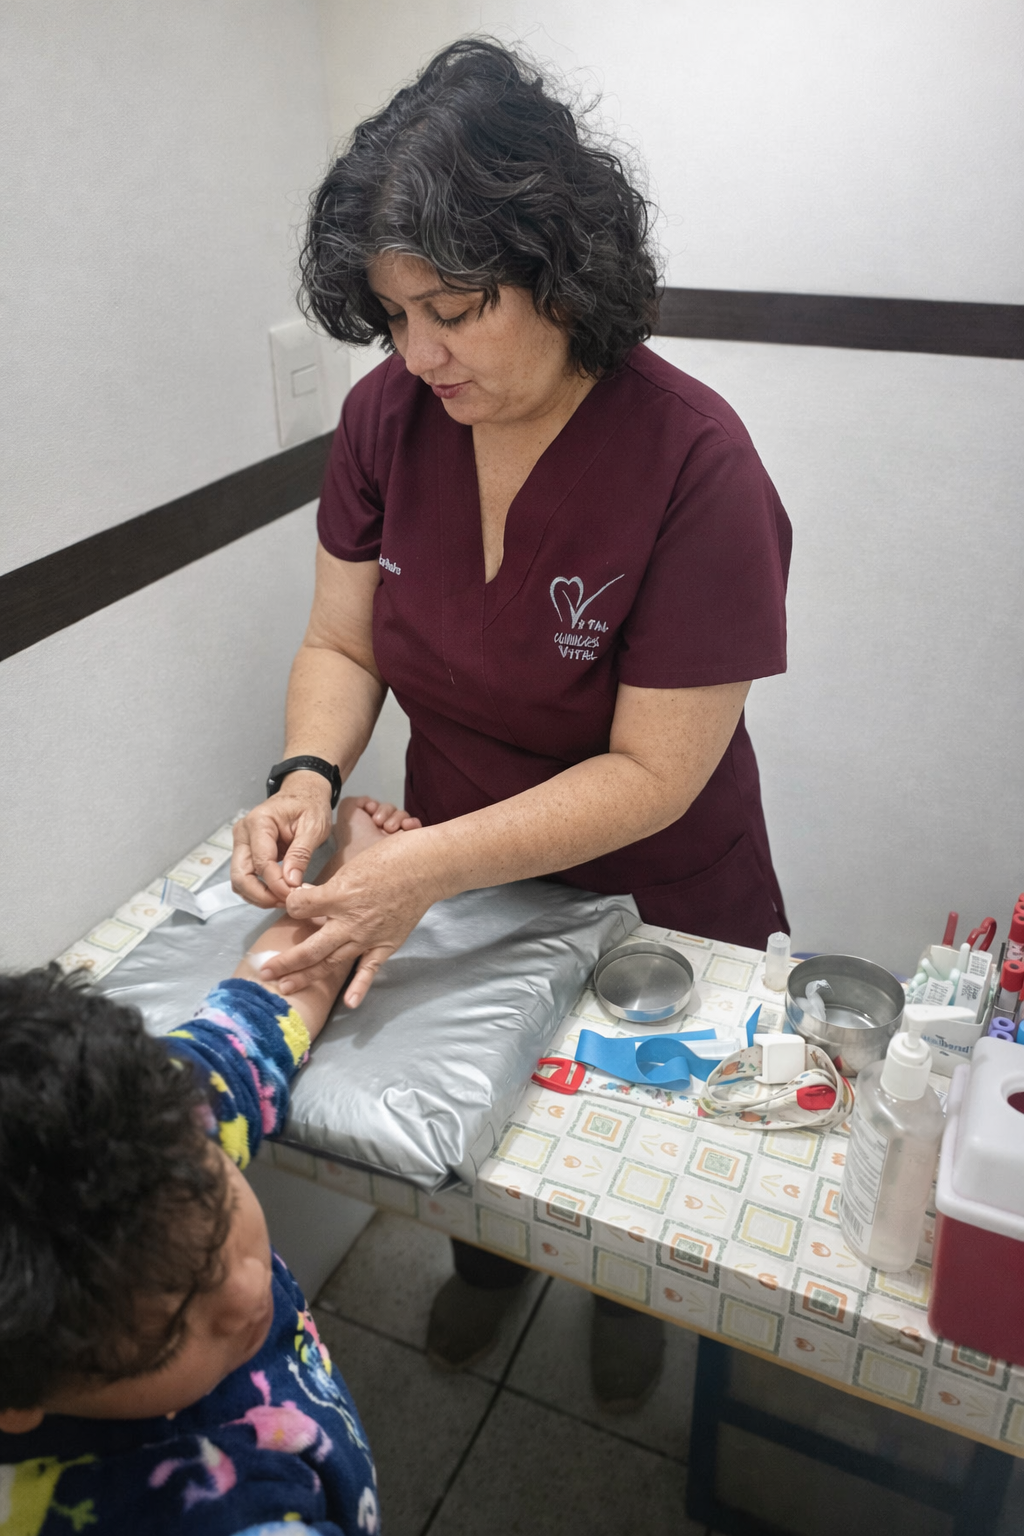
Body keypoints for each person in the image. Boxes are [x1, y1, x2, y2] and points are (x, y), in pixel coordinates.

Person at [231, 39, 792, 1409]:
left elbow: (654, 771)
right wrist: (308, 777)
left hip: (658, 895)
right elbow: (341, 640)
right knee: (469, 1133)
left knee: (622, 1171)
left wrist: (417, 868)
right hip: (458, 874)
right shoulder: (388, 418)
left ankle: (624, 1304)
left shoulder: (696, 461)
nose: (419, 353)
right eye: (393, 316)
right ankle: (487, 1274)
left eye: (456, 308)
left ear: (560, 267)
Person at [0, 803, 394, 1536]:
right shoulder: (189, 1512)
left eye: (217, 1200)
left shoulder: (152, 1124)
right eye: (174, 1325)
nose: (248, 1291)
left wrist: (359, 864)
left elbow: (270, 996)